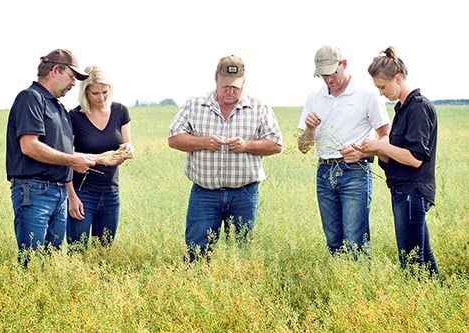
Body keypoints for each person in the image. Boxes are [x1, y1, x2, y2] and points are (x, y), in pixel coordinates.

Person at [168, 55, 283, 262]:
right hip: (204, 193)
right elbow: (174, 139)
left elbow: (276, 144)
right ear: (216, 79)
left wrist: (247, 145)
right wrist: (204, 142)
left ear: (244, 82)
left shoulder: (258, 108)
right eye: (226, 86)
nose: (231, 91)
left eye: (236, 87)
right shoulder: (195, 105)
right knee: (197, 251)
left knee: (240, 253)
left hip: (244, 194)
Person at [352, 47, 440, 277]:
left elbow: (415, 159)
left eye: (382, 86)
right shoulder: (402, 108)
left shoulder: (418, 107)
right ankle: (435, 300)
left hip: (414, 193)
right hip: (403, 191)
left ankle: (417, 308)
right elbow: (396, 155)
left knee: (411, 262)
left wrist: (381, 145)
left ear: (398, 78)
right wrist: (369, 150)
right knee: (423, 258)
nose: (381, 93)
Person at [297, 45, 390, 256]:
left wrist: (363, 152)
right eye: (323, 75)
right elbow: (302, 147)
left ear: (344, 65)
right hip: (324, 172)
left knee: (355, 242)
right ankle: (341, 284)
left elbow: (386, 137)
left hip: (355, 172)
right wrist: (310, 129)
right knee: (333, 241)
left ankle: (360, 286)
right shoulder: (314, 98)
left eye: (332, 73)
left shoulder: (367, 95)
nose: (329, 80)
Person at [6, 48, 96, 264]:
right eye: (72, 77)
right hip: (34, 191)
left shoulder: (58, 107)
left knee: (52, 262)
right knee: (32, 261)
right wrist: (73, 161)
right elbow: (30, 146)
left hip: (59, 192)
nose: (74, 84)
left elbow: (62, 153)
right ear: (56, 70)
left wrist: (102, 157)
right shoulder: (30, 98)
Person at [66, 66, 134, 250]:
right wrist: (71, 197)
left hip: (111, 193)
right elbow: (65, 156)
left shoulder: (121, 112)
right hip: (82, 193)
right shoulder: (74, 116)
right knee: (77, 250)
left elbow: (126, 146)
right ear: (85, 91)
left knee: (104, 251)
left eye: (105, 92)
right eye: (95, 93)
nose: (101, 97)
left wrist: (128, 150)